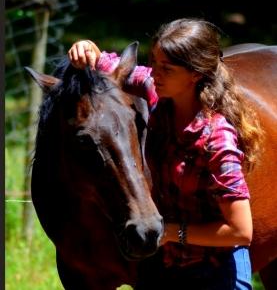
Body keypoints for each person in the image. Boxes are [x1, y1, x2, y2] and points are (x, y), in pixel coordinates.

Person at [68, 18, 263, 289]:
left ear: (195, 74)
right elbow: (113, 66)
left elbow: (241, 232)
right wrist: (87, 49)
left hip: (216, 273)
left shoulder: (217, 140)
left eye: (166, 69)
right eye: (154, 63)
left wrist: (172, 232)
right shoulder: (158, 93)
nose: (155, 73)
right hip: (171, 265)